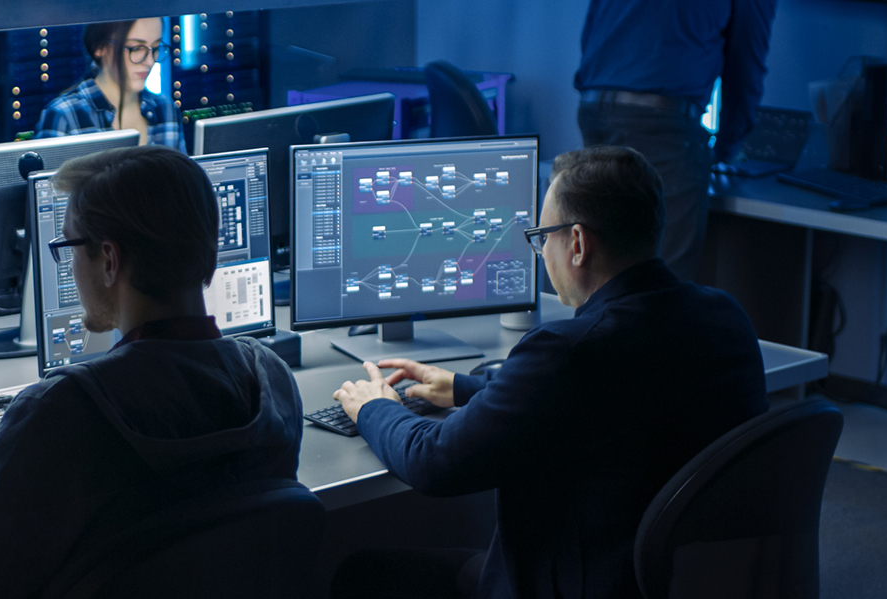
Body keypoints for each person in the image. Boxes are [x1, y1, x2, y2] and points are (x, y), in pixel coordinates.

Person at [0, 145, 305, 597]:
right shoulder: (272, 380)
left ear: (109, 260)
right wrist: (26, 477)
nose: (67, 267)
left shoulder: (63, 414)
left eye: (67, 248)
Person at [329, 146, 769, 599]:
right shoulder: (725, 318)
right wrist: (466, 388)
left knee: (362, 573)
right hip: (674, 583)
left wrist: (376, 408)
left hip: (569, 584)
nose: (541, 252)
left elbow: (433, 462)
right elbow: (615, 401)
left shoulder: (569, 353)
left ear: (577, 243)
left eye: (542, 236)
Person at [573, 0, 778, 281]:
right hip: (661, 125)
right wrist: (726, 148)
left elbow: (592, 30)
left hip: (595, 111)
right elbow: (745, 65)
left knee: (600, 269)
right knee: (665, 284)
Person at [34, 18, 186, 152]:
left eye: (156, 48)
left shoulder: (166, 109)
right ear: (100, 48)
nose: (149, 61)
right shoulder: (64, 116)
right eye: (136, 48)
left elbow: (184, 182)